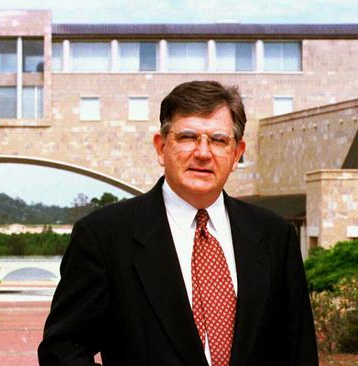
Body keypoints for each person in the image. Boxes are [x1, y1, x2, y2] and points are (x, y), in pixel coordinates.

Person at [38, 80, 318, 366]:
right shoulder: (104, 237)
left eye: (219, 140)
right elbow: (62, 350)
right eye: (187, 137)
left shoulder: (275, 237)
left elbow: (299, 351)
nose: (203, 152)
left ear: (236, 154)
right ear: (161, 147)